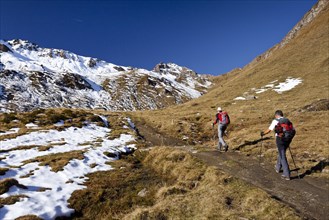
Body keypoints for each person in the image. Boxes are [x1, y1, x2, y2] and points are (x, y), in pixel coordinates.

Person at [261, 110, 295, 180]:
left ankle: (287, 174)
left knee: (282, 155)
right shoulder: (287, 120)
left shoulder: (275, 121)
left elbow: (269, 130)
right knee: (281, 152)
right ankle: (278, 167)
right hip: (288, 139)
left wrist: (263, 133)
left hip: (280, 139)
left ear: (276, 115)